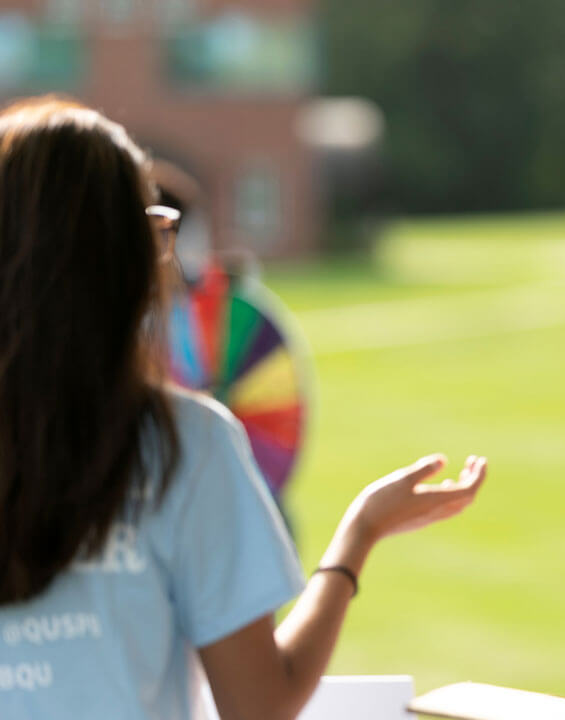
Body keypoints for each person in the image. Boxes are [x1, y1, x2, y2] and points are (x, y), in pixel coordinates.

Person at [0, 97, 487, 719]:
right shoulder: (182, 443)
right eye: (153, 231)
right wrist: (356, 538)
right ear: (120, 259)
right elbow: (258, 706)